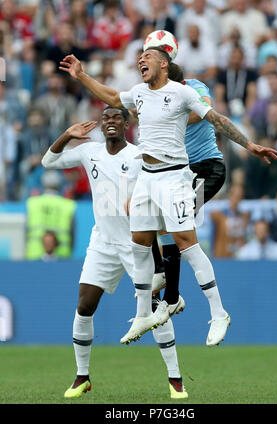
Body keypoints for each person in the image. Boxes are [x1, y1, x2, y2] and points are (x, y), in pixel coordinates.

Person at [59, 46, 277, 346]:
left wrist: (250, 145)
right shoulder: (138, 92)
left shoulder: (182, 93)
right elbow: (111, 97)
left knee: (186, 244)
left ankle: (218, 313)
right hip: (147, 178)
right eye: (139, 58)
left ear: (164, 64)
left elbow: (218, 119)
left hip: (173, 177)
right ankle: (143, 314)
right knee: (140, 242)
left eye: (146, 57)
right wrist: (82, 75)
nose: (140, 61)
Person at [41, 108, 188, 399]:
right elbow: (48, 161)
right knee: (84, 305)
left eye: (116, 118)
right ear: (101, 125)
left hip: (137, 245)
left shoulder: (138, 156)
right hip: (103, 243)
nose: (110, 122)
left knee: (156, 309)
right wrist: (67, 135)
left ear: (126, 124)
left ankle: (176, 380)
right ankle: (82, 377)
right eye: (105, 118)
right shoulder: (89, 151)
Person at [26, 169, 76, 260]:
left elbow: (25, 231)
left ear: (43, 184)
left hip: (34, 256)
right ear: (59, 185)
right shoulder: (68, 205)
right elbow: (72, 234)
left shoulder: (33, 203)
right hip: (62, 257)